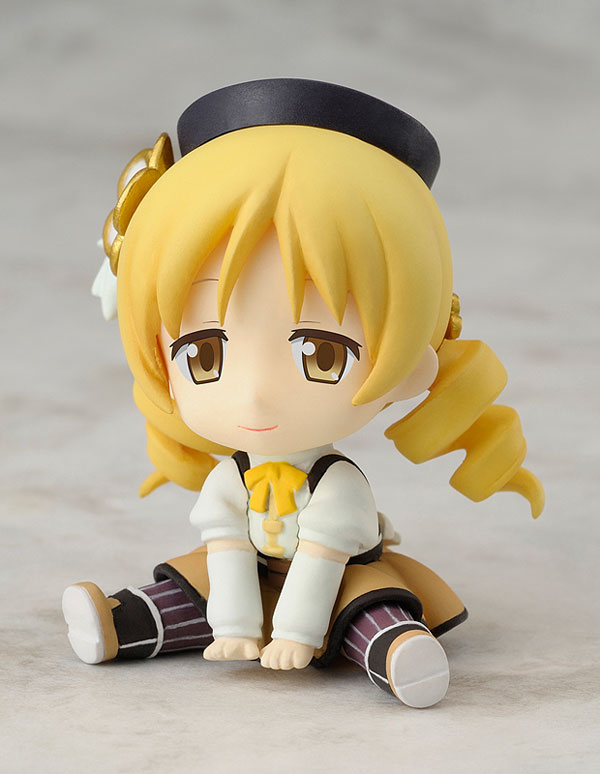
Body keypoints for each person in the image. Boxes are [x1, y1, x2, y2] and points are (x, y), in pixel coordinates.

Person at [63, 79, 544, 708]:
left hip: (336, 575)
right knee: (191, 582)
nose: (256, 396)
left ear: (409, 369)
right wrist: (236, 627)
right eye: (204, 354)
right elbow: (227, 546)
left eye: (320, 354)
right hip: (248, 573)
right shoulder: (231, 478)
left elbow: (320, 560)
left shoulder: (337, 486)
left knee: (366, 606)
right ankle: (118, 624)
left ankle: (398, 655)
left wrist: (294, 635)